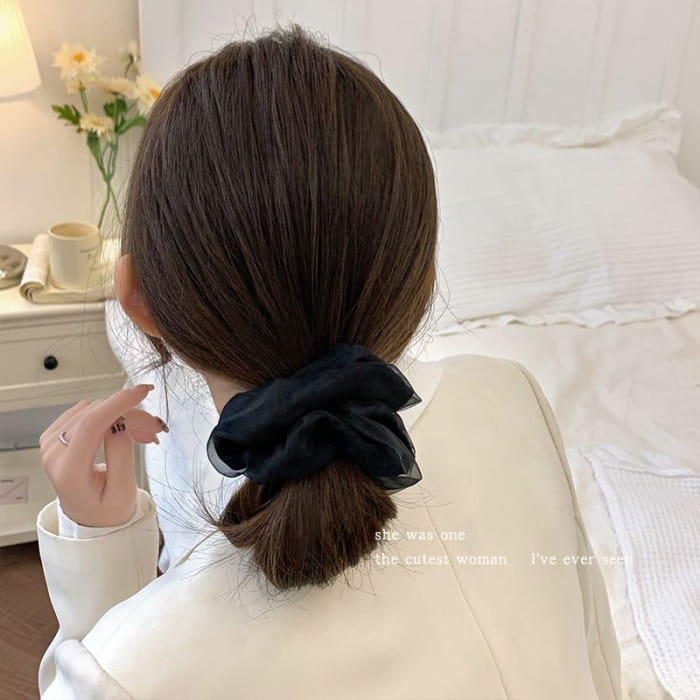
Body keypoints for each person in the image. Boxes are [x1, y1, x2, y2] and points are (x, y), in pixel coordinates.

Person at [36, 23, 621, 699]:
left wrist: (101, 573)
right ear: (423, 280)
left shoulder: (133, 670)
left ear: (138, 301)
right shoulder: (512, 394)